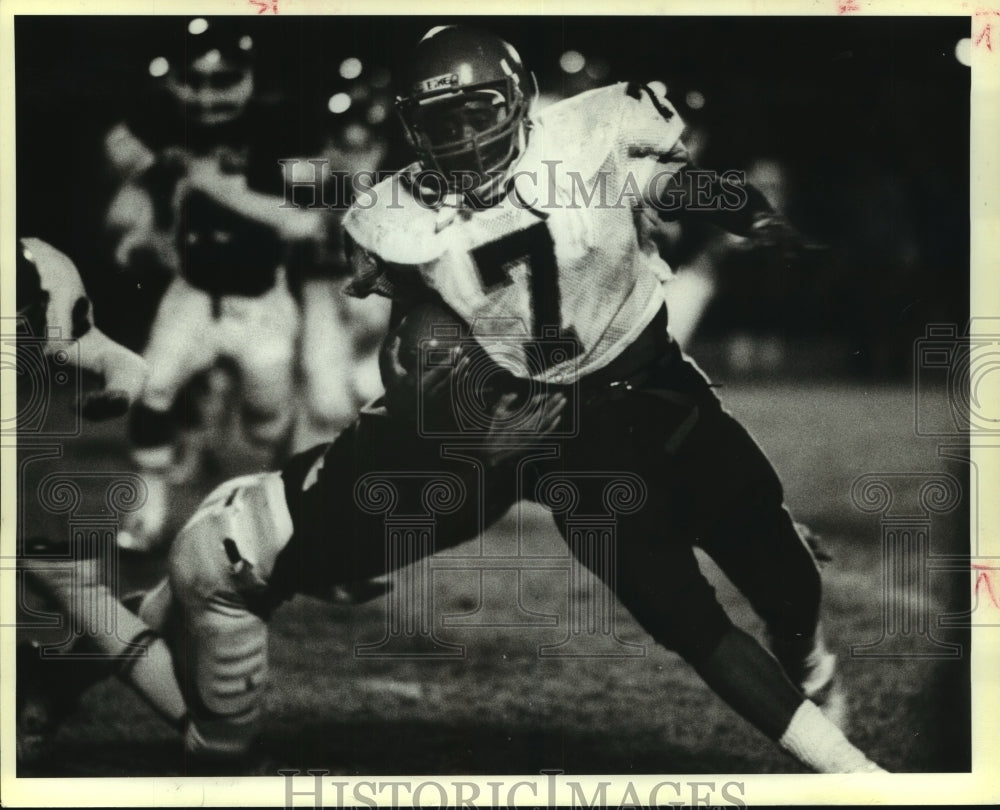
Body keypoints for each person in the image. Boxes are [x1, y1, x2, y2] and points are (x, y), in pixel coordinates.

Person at [105, 18, 324, 551]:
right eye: (191, 81)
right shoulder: (162, 121)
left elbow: (305, 220)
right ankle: (147, 514)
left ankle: (274, 516)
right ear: (173, 81)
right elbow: (124, 171)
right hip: (193, 294)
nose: (205, 96)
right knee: (151, 388)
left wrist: (215, 187)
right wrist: (140, 227)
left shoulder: (285, 128)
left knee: (265, 426)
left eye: (223, 80)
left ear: (250, 75)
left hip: (261, 302)